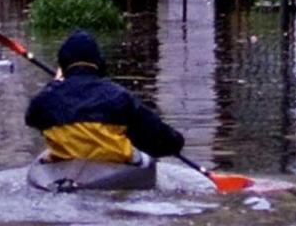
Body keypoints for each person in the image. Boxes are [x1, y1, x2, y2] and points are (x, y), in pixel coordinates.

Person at [25, 30, 185, 165]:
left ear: (63, 65)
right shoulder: (119, 95)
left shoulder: (47, 98)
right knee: (144, 156)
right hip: (114, 167)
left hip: (65, 168)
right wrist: (176, 141)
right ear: (99, 64)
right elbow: (161, 136)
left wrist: (55, 85)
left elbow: (31, 118)